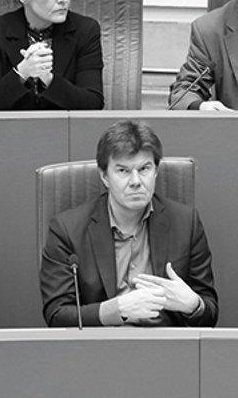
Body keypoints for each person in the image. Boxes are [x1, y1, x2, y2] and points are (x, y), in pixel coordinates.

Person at [40, 120, 218, 327]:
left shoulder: (186, 223)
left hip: (165, 341)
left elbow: (210, 314)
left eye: (144, 169)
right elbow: (56, 315)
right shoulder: (67, 230)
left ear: (156, 171)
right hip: (101, 342)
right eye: (123, 171)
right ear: (104, 176)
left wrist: (193, 305)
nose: (136, 181)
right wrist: (118, 309)